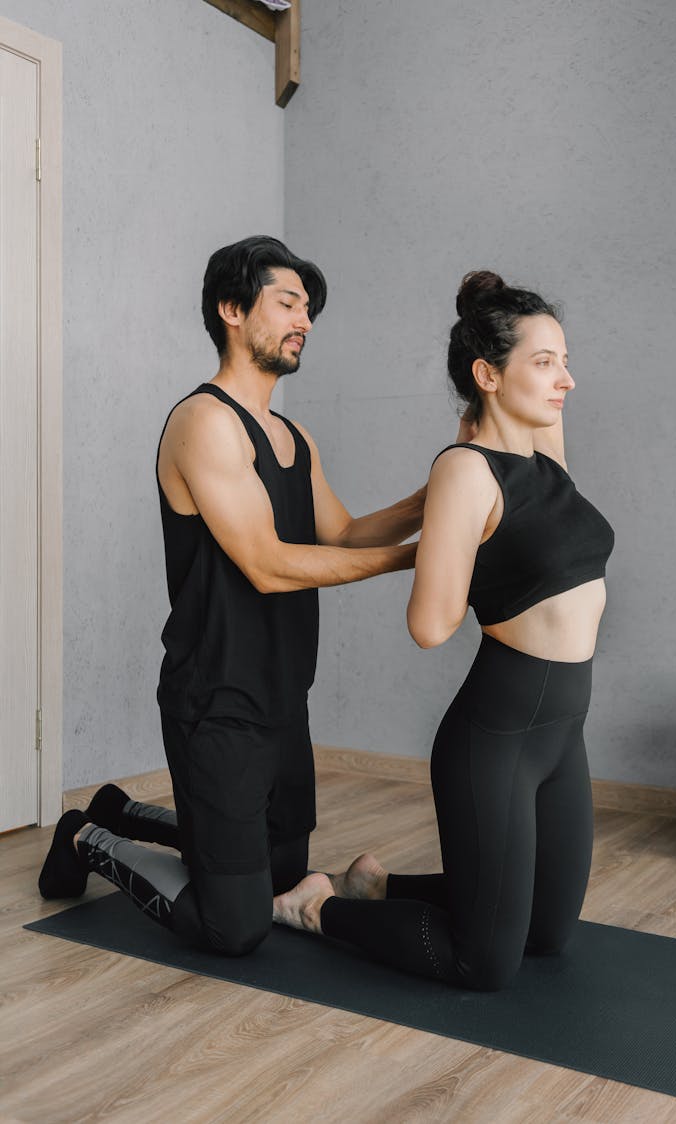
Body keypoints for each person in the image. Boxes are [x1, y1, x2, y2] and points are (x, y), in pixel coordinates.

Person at [38, 235, 425, 956]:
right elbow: (268, 565)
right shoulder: (204, 422)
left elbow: (340, 534)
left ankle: (121, 809)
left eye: (307, 308)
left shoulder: (292, 434)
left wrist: (439, 497)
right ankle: (87, 834)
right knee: (236, 923)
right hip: (214, 699)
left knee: (279, 875)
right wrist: (414, 561)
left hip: (280, 695)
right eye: (286, 303)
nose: (303, 320)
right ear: (231, 309)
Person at [272, 269, 615, 990]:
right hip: (495, 736)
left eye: (565, 359)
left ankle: (378, 883)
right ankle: (319, 907)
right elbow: (431, 626)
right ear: (488, 374)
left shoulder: (542, 459)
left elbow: (529, 422)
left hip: (562, 732)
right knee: (483, 962)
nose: (567, 380)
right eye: (546, 362)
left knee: (547, 936)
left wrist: (499, 323)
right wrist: (445, 546)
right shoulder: (465, 470)